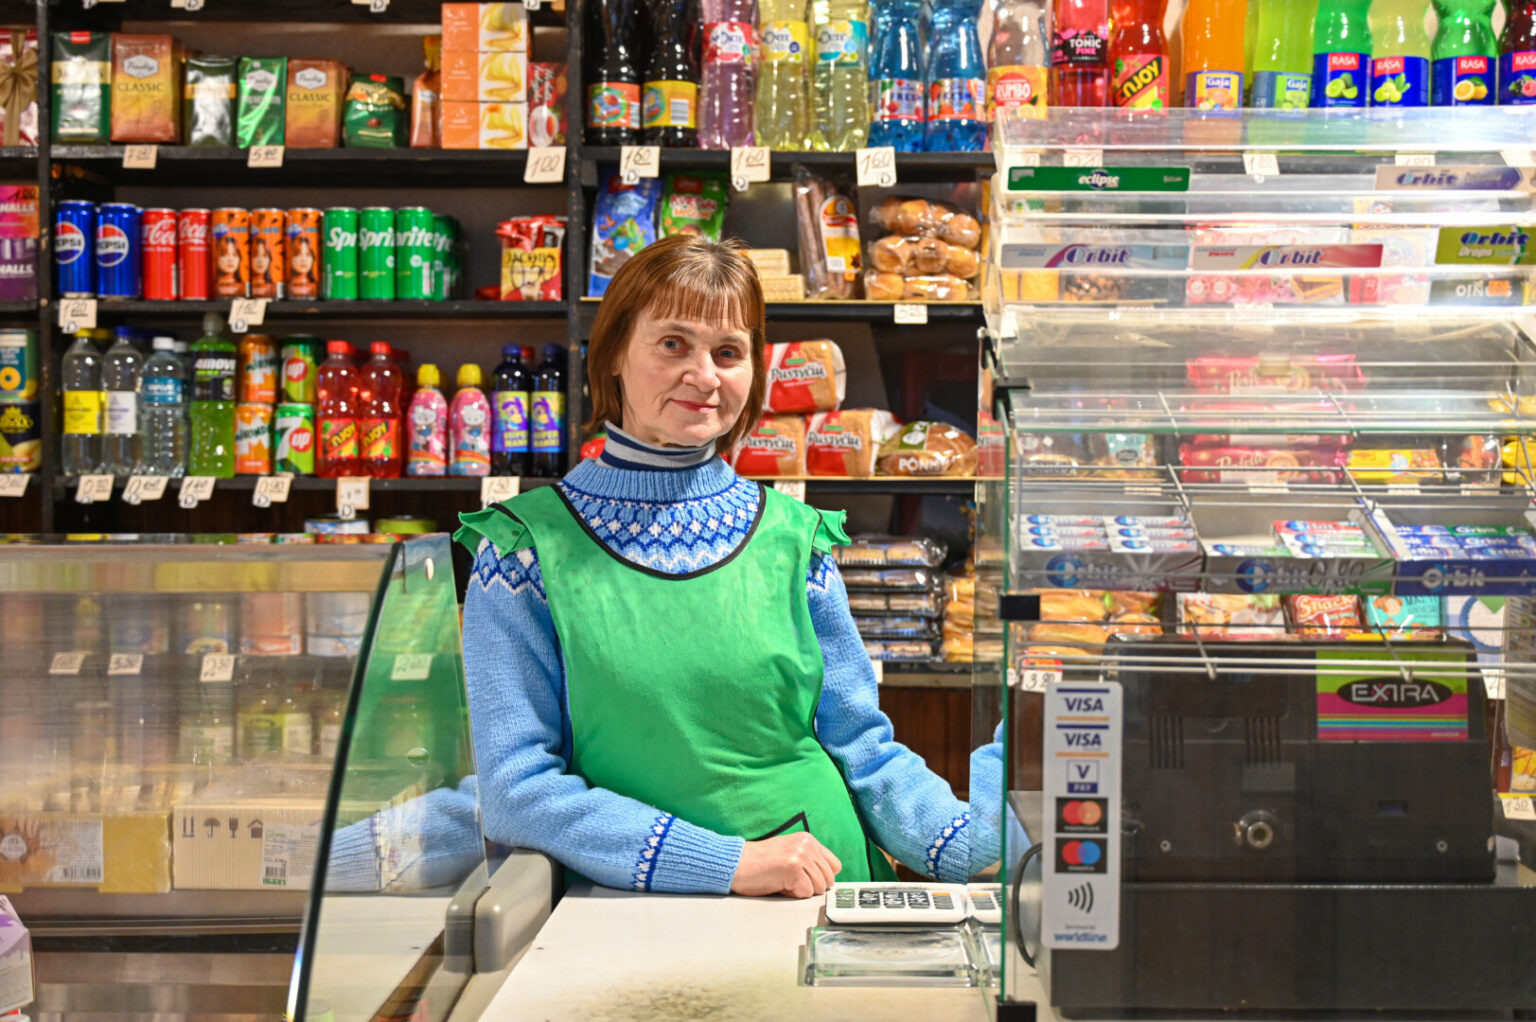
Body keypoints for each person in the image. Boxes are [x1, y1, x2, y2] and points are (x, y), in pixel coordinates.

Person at [456, 234, 996, 899]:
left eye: (729, 352)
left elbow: (862, 749)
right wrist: (726, 863)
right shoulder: (523, 549)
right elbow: (517, 791)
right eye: (673, 344)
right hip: (635, 914)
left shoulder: (794, 539)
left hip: (823, 893)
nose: (705, 376)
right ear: (614, 353)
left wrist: (971, 847)